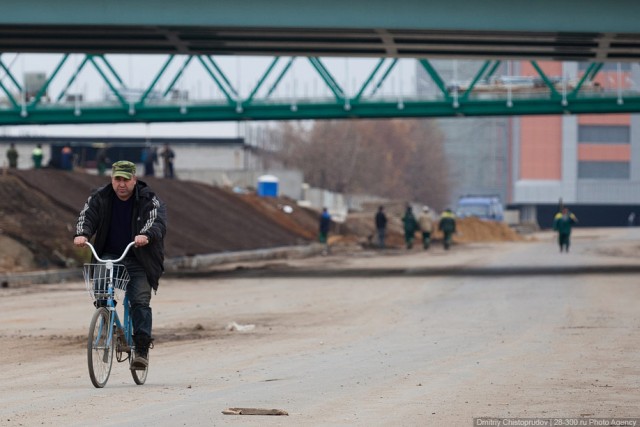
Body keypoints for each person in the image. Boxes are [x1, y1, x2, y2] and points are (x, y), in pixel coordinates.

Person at [73, 160, 167, 369]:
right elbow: (86, 216)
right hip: (110, 255)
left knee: (140, 302)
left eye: (126, 179)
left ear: (134, 180)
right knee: (101, 290)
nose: (121, 184)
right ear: (112, 179)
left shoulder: (148, 198)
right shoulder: (101, 197)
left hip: (140, 258)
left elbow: (156, 221)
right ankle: (106, 320)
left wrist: (146, 235)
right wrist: (82, 234)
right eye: (118, 179)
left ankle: (141, 350)